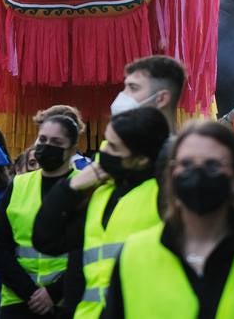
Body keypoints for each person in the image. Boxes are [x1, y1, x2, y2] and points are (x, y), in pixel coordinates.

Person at [105, 120, 234, 319]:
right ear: (171, 174)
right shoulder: (133, 254)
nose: (197, 173)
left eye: (212, 164)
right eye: (186, 164)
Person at [33, 106, 170, 317]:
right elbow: (46, 240)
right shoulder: (101, 193)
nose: (103, 152)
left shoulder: (164, 197)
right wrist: (70, 187)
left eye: (113, 148)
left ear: (141, 159)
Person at [0, 113, 81, 317]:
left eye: (56, 142)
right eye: (42, 139)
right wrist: (30, 293)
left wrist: (53, 293)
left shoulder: (86, 186)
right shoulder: (18, 184)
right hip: (19, 299)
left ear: (72, 149)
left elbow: (88, 251)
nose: (47, 146)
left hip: (66, 300)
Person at [110, 56, 186, 130]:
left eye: (133, 88)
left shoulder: (185, 142)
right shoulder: (114, 142)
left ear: (161, 99)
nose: (122, 95)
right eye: (125, 87)